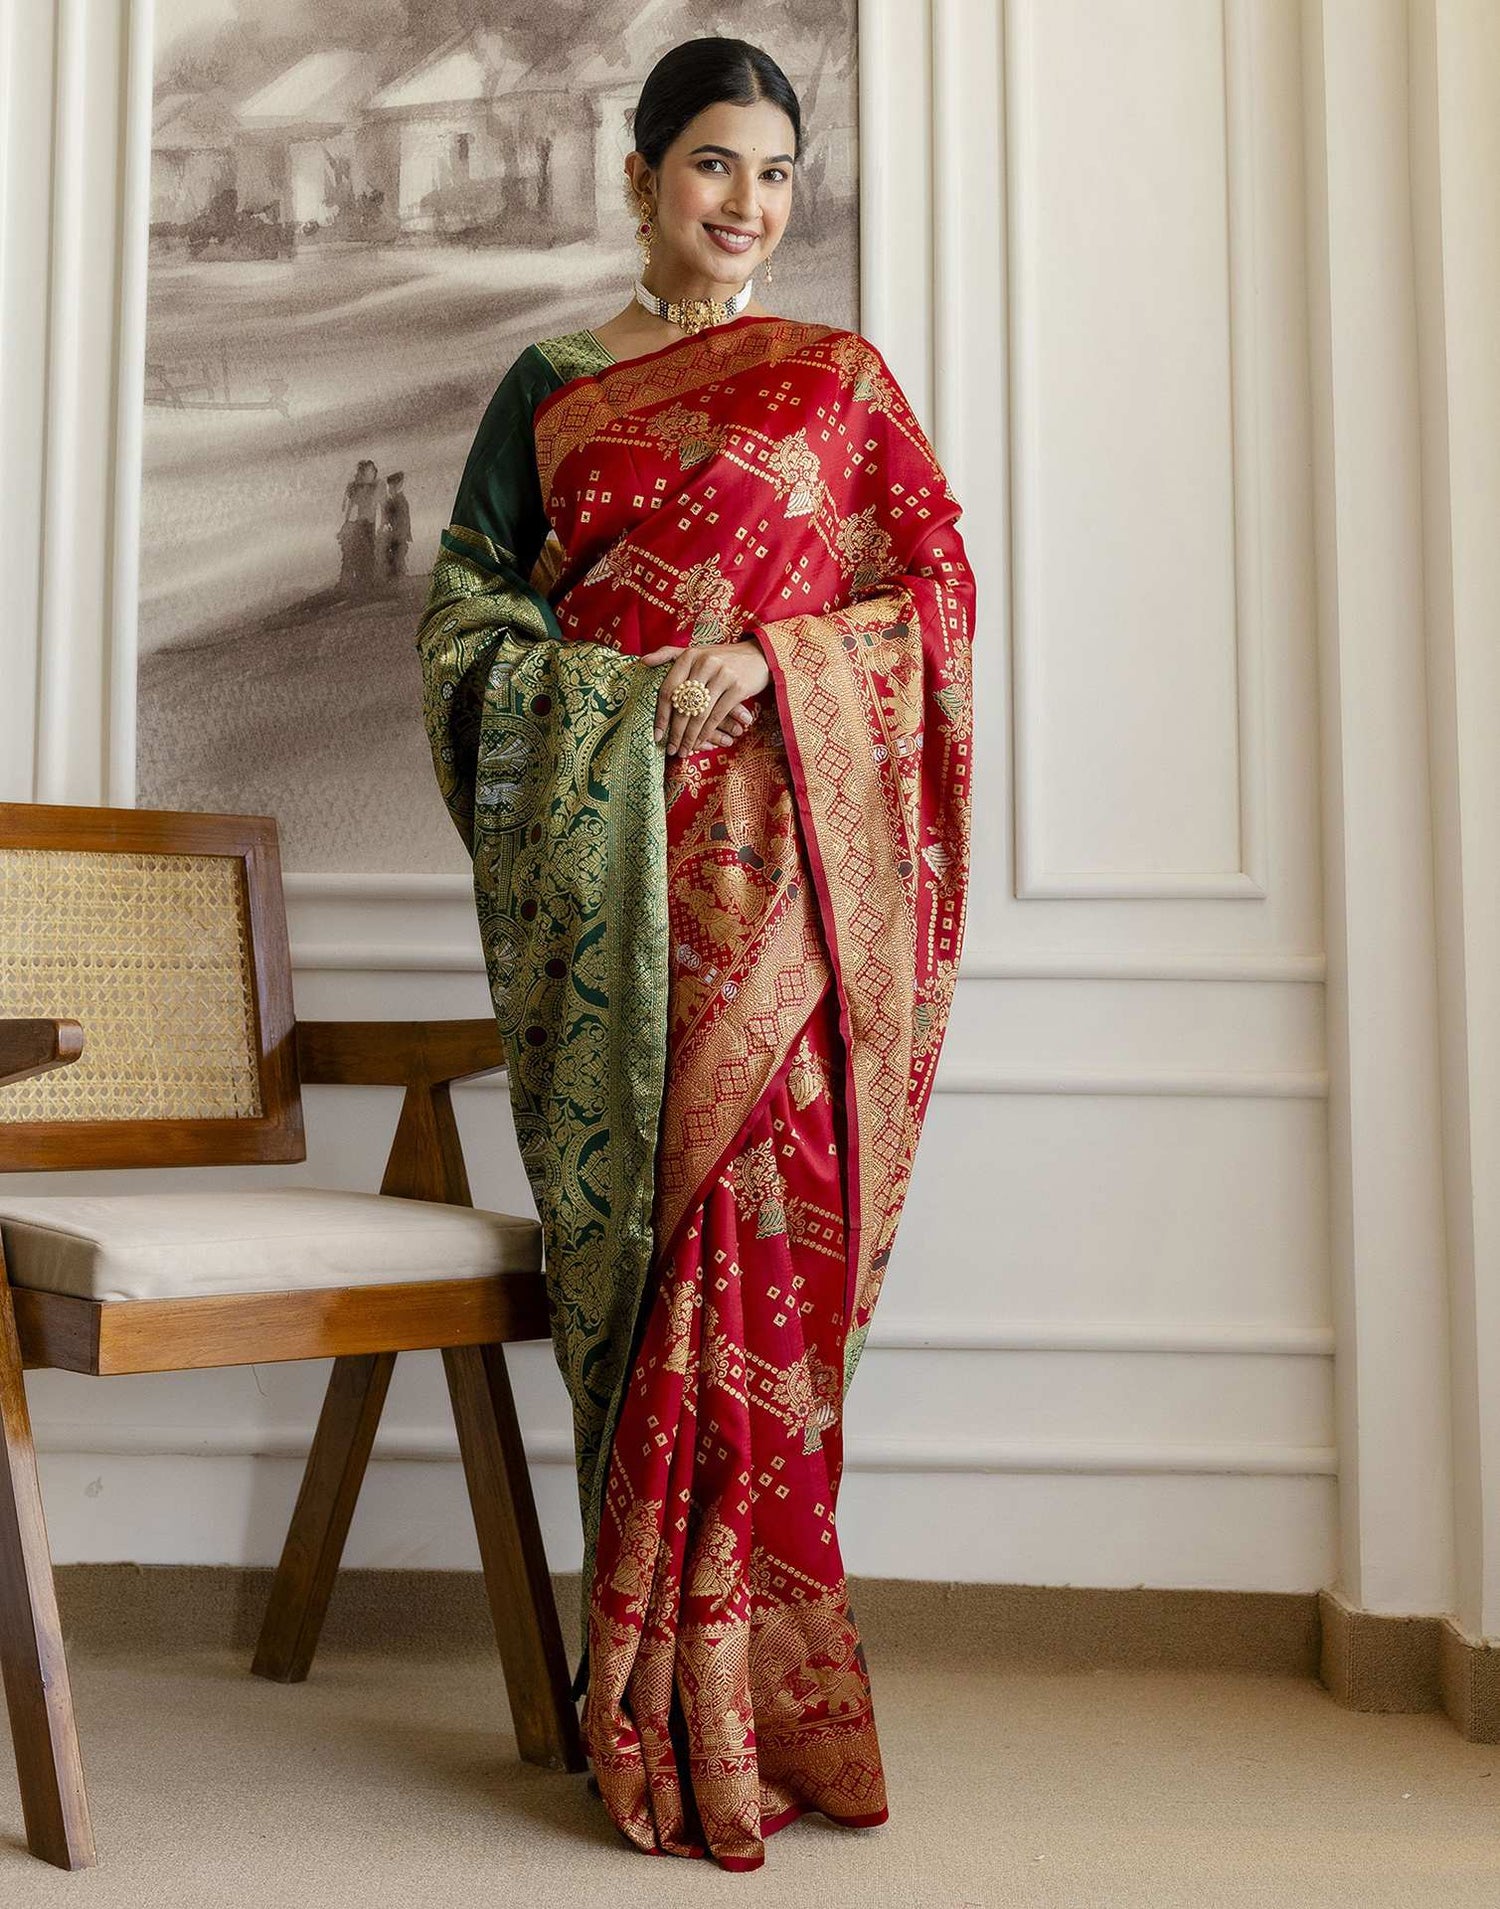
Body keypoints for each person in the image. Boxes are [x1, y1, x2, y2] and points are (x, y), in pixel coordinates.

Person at [416, 35, 974, 1874]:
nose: (746, 204)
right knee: (657, 1269)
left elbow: (937, 592)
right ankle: (646, 1704)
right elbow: (468, 628)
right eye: (714, 164)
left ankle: (757, 1704)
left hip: (791, 917)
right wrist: (625, 690)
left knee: (768, 1273)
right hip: (621, 901)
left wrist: (787, 662)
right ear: (645, 172)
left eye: (777, 175)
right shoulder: (551, 386)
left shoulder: (837, 383)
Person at [337, 459, 379, 592]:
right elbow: (348, 508)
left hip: (367, 524)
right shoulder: (357, 488)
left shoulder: (373, 487)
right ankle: (359, 583)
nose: (373, 474)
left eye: (372, 471)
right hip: (361, 524)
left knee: (367, 553)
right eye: (369, 471)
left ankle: (365, 582)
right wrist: (347, 524)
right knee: (361, 553)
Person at [380, 471, 411, 580]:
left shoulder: (399, 500)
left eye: (392, 486)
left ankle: (398, 578)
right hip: (394, 534)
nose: (389, 489)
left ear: (398, 485)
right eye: (389, 487)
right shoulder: (393, 500)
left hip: (398, 534)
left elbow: (404, 518)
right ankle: (395, 577)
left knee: (398, 557)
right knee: (394, 557)